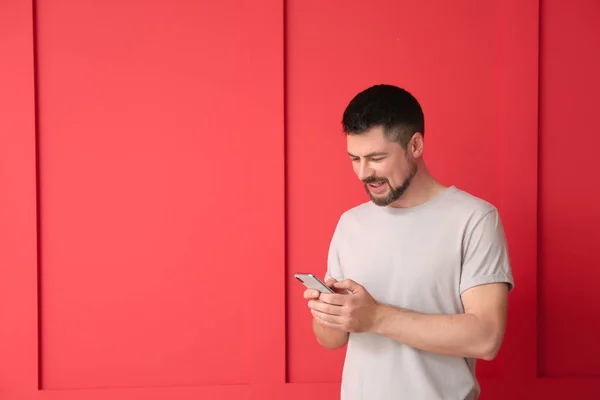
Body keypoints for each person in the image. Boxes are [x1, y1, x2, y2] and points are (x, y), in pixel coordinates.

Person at [304, 84, 514, 400]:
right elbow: (331, 340)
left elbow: (486, 337)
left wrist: (375, 316)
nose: (364, 172)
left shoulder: (474, 219)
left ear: (415, 145)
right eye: (354, 158)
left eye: (376, 157)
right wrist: (331, 313)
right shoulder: (351, 224)